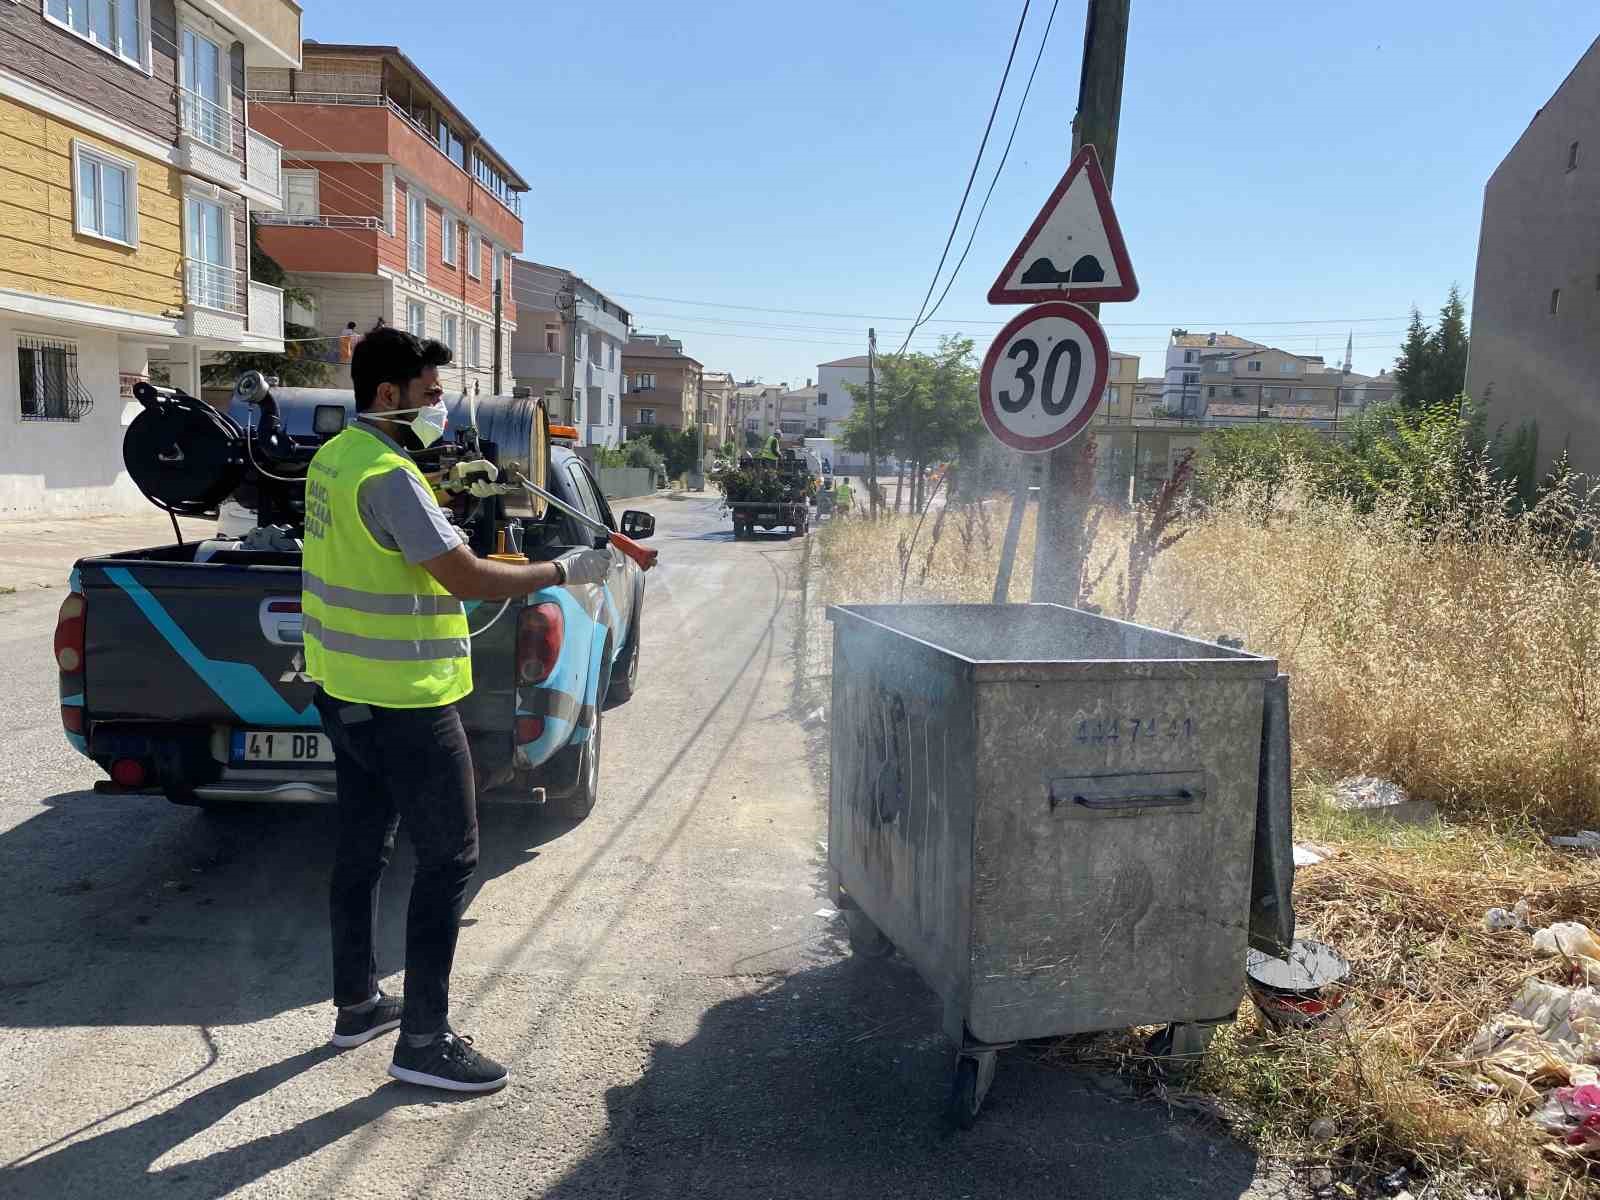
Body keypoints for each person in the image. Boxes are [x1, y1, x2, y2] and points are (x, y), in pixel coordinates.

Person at [302, 325, 612, 1093]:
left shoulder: (333, 460)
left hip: (344, 691)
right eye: (430, 393)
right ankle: (425, 1042)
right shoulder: (388, 476)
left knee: (362, 847)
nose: (438, 406)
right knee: (450, 858)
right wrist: (563, 568)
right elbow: (466, 578)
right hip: (408, 701)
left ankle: (358, 1004)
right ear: (388, 395)